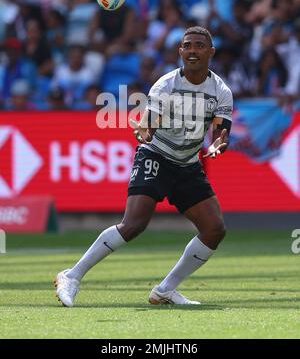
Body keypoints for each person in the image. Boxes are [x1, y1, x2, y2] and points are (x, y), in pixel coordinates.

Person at [54, 26, 233, 307]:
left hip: (187, 164)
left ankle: (165, 290)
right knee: (134, 224)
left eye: (199, 46)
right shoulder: (166, 85)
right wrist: (145, 132)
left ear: (211, 52)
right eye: (187, 46)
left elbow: (221, 133)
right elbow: (148, 125)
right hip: (156, 156)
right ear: (180, 52)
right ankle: (71, 275)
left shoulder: (221, 91)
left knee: (214, 229)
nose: (192, 51)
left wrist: (218, 145)